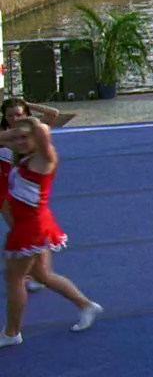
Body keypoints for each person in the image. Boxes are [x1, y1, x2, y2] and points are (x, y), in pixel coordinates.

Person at [0, 118, 102, 348]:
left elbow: (44, 130)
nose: (19, 141)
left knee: (14, 279)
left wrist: (29, 122)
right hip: (32, 222)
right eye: (16, 137)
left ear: (36, 138)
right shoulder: (26, 155)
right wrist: (17, 133)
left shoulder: (45, 157)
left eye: (25, 137)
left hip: (31, 227)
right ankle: (85, 305)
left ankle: (11, 332)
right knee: (42, 274)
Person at [0, 98, 59, 295]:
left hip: (24, 189)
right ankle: (33, 272)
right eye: (10, 115)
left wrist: (27, 104)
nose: (15, 119)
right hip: (6, 187)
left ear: (26, 114)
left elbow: (52, 114)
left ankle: (37, 274)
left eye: (19, 114)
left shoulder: (32, 133)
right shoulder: (8, 135)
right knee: (19, 231)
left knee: (26, 232)